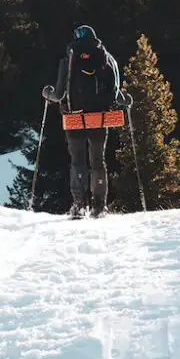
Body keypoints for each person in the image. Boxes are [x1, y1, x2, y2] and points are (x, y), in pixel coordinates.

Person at [42, 25, 132, 218]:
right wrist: (127, 100)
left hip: (74, 117)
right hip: (99, 118)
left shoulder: (69, 60)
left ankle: (79, 206)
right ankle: (99, 207)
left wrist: (46, 93)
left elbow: (58, 95)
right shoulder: (107, 60)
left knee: (77, 162)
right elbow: (116, 94)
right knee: (98, 162)